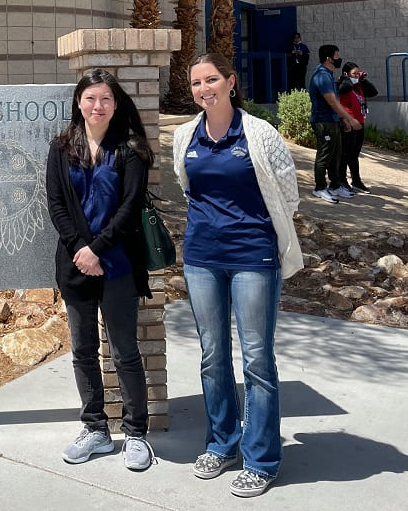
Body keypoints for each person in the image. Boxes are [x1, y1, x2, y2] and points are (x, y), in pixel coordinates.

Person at [172, 53, 303, 498]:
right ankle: (222, 443)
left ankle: (262, 459)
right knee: (212, 356)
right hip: (202, 258)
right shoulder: (185, 135)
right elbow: (188, 187)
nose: (203, 89)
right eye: (195, 83)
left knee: (257, 361)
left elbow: (289, 194)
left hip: (253, 259)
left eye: (211, 80)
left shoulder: (259, 133)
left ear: (230, 83)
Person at [46, 68, 155, 472]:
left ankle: (136, 433)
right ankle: (95, 429)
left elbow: (129, 209)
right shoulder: (61, 148)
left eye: (105, 99)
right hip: (75, 265)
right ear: (78, 102)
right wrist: (80, 249)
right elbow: (56, 204)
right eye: (90, 98)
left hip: (119, 264)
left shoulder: (130, 149)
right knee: (83, 351)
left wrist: (98, 249)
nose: (98, 106)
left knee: (125, 351)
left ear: (116, 103)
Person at [307, 44, 362, 204]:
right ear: (328, 58)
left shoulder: (329, 75)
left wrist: (342, 119)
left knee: (336, 154)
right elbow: (332, 102)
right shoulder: (321, 75)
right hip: (322, 121)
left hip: (332, 120)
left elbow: (336, 101)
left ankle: (335, 186)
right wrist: (350, 118)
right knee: (325, 155)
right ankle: (319, 188)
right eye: (337, 56)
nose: (339, 59)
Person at [337, 62, 378, 194]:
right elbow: (343, 88)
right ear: (346, 74)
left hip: (359, 122)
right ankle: (341, 180)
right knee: (345, 153)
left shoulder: (358, 86)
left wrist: (363, 80)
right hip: (349, 122)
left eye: (357, 73)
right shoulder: (344, 85)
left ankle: (356, 181)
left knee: (354, 155)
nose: (356, 76)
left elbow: (373, 92)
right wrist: (347, 79)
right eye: (354, 73)